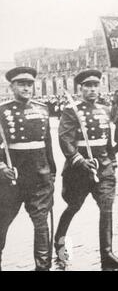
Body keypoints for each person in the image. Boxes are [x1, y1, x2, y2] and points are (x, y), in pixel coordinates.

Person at [55, 69, 118, 270]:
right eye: (88, 86)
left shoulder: (105, 109)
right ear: (81, 88)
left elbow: (108, 142)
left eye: (95, 85)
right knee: (74, 206)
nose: (92, 90)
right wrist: (78, 159)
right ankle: (59, 241)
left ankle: (107, 253)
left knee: (106, 208)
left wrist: (112, 161)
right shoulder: (71, 110)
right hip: (79, 169)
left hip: (103, 168)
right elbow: (65, 139)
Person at [0, 67, 56, 271]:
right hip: (11, 179)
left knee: (41, 224)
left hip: (39, 177)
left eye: (29, 84)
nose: (26, 88)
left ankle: (42, 267)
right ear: (12, 86)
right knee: (2, 222)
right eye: (21, 84)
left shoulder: (43, 109)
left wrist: (52, 173)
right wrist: (1, 166)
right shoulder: (2, 111)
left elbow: (47, 144)